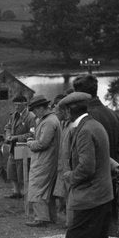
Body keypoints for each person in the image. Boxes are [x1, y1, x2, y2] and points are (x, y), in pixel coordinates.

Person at [42, 92, 114, 238]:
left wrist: (68, 177)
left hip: (89, 195)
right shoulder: (95, 125)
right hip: (102, 194)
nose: (60, 113)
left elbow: (87, 167)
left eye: (62, 110)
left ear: (70, 110)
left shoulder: (84, 131)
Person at [73, 74, 119, 237]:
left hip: (93, 178)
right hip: (112, 175)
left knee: (93, 228)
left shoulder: (87, 118)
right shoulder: (112, 114)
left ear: (80, 95)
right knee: (109, 221)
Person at [24, 96, 60, 227]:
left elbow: (43, 143)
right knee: (46, 191)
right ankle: (49, 217)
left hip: (44, 160)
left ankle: (41, 218)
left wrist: (30, 143)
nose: (34, 113)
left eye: (34, 110)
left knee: (37, 187)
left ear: (40, 108)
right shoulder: (49, 119)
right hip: (47, 160)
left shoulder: (49, 122)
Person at [51, 92, 73, 225]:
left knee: (71, 195)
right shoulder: (63, 125)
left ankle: (71, 223)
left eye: (57, 110)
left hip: (69, 167)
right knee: (65, 195)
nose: (55, 113)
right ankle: (68, 221)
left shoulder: (71, 126)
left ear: (64, 111)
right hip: (63, 167)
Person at [4, 95, 32, 198]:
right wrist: (8, 136)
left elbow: (32, 134)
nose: (16, 107)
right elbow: (8, 126)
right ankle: (16, 192)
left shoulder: (31, 117)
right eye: (15, 105)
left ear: (25, 104)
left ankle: (27, 193)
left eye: (19, 105)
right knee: (12, 170)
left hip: (24, 148)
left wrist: (16, 137)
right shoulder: (13, 115)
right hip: (13, 148)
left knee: (23, 172)